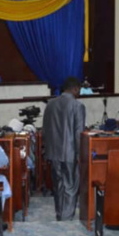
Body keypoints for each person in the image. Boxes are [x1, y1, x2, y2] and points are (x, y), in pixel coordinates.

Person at [43, 77, 86, 221]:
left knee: (58, 185)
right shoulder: (77, 106)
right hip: (70, 152)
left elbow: (45, 131)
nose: (79, 93)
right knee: (71, 186)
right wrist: (81, 155)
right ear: (75, 88)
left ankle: (60, 214)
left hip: (53, 152)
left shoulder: (50, 105)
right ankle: (66, 218)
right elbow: (79, 133)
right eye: (79, 90)